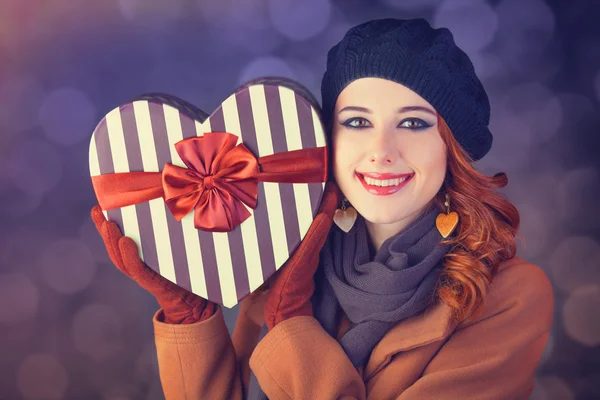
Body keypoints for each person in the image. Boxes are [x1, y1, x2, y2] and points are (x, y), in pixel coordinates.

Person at [91, 18, 554, 399]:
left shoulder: (510, 298)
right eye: (356, 122)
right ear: (329, 139)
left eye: (413, 123)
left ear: (451, 149)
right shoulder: (289, 253)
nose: (380, 150)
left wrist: (292, 322)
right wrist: (191, 316)